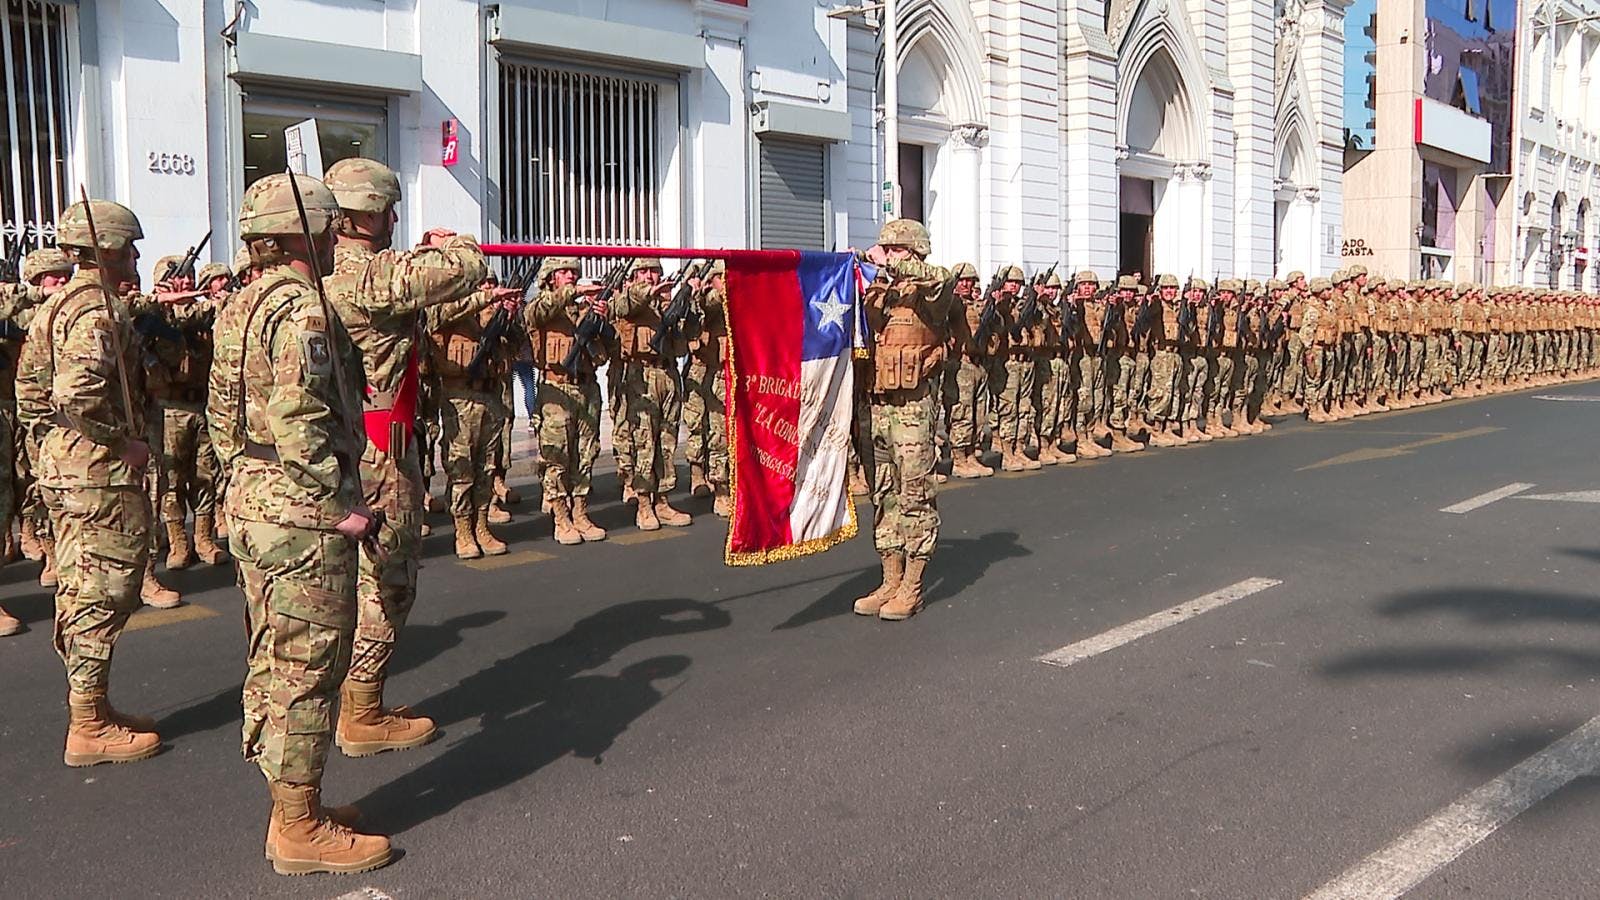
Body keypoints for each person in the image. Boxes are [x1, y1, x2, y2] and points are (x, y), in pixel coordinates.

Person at [208, 172, 390, 875]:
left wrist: (245, 480)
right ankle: (297, 825)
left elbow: (225, 409)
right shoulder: (304, 311)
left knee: (274, 657)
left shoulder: (240, 304)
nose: (333, 238)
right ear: (303, 233)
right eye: (325, 228)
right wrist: (338, 504)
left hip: (255, 499)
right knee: (309, 665)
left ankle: (294, 801)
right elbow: (299, 418)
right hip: (299, 512)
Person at [321, 157, 487, 756]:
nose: (395, 219)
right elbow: (467, 266)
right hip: (380, 451)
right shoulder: (363, 277)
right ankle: (361, 710)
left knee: (361, 578)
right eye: (388, 210)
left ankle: (356, 701)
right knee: (388, 579)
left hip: (356, 441)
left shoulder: (330, 274)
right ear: (367, 217)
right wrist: (451, 243)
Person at [16, 198, 162, 765]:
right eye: (128, 246)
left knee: (82, 586)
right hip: (97, 472)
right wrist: (118, 441)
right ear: (104, 250)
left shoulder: (55, 306)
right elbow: (74, 395)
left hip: (68, 465)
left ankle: (93, 708)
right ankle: (87, 723)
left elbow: (32, 394)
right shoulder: (97, 311)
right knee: (105, 589)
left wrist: (49, 452)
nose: (135, 256)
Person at [852, 219, 953, 621]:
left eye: (895, 250)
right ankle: (890, 579)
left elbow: (940, 280)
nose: (886, 255)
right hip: (878, 405)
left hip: (913, 408)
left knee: (914, 495)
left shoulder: (932, 290)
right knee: (884, 495)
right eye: (885, 250)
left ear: (914, 252)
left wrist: (892, 266)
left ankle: (912, 585)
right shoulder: (879, 290)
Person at [424, 275, 521, 557]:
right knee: (462, 468)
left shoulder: (492, 314)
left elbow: (516, 347)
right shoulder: (448, 305)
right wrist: (484, 301)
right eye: (481, 285)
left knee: (487, 468)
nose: (488, 289)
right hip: (459, 397)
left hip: (490, 395)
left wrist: (510, 318)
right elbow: (434, 320)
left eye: (490, 284)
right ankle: (463, 530)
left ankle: (481, 525)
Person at [523, 257, 610, 543]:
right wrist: (576, 292)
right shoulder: (541, 306)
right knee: (556, 456)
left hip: (586, 388)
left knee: (586, 454)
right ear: (550, 278)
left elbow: (607, 347)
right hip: (555, 390)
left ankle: (581, 513)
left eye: (574, 272)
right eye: (564, 272)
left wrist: (601, 318)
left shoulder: (584, 309)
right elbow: (536, 314)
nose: (571, 276)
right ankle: (561, 517)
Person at [610, 258, 696, 531]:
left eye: (654, 271)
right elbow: (623, 306)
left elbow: (686, 342)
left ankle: (663, 500)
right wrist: (650, 294)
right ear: (634, 276)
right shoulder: (627, 300)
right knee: (644, 442)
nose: (650, 276)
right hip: (641, 378)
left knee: (666, 442)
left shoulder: (666, 305)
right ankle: (644, 504)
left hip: (668, 375)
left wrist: (685, 301)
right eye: (644, 271)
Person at [684, 260, 731, 516]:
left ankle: (726, 481)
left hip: (727, 371)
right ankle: (703, 475)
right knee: (700, 425)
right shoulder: (707, 300)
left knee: (722, 430)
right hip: (703, 368)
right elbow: (712, 302)